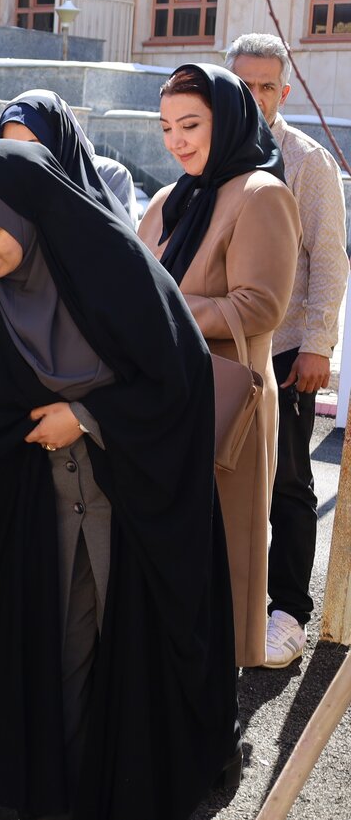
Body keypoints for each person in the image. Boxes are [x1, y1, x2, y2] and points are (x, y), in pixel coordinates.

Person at [0, 140, 240, 819]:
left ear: (31, 217)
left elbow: (182, 381)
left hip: (135, 499)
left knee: (132, 649)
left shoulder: (112, 268)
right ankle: (72, 794)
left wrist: (85, 415)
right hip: (44, 504)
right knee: (61, 652)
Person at [138, 63, 301, 667]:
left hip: (223, 402)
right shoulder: (167, 199)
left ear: (227, 121)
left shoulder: (262, 193)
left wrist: (162, 310)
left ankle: (212, 712)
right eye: (165, 127)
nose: (176, 140)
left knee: (223, 553)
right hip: (162, 400)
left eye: (190, 125)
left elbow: (261, 305)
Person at [226, 33, 350, 669]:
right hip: (222, 353)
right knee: (226, 480)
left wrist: (319, 346)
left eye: (266, 85)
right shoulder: (213, 156)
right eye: (243, 83)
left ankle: (288, 613)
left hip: (287, 351)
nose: (254, 96)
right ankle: (234, 602)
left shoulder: (307, 162)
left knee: (289, 485)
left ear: (285, 89)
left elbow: (330, 261)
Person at [0, 89, 137, 223]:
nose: (23, 157)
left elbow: (121, 243)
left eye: (34, 145)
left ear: (61, 136)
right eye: (12, 147)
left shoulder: (109, 175)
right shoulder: (2, 191)